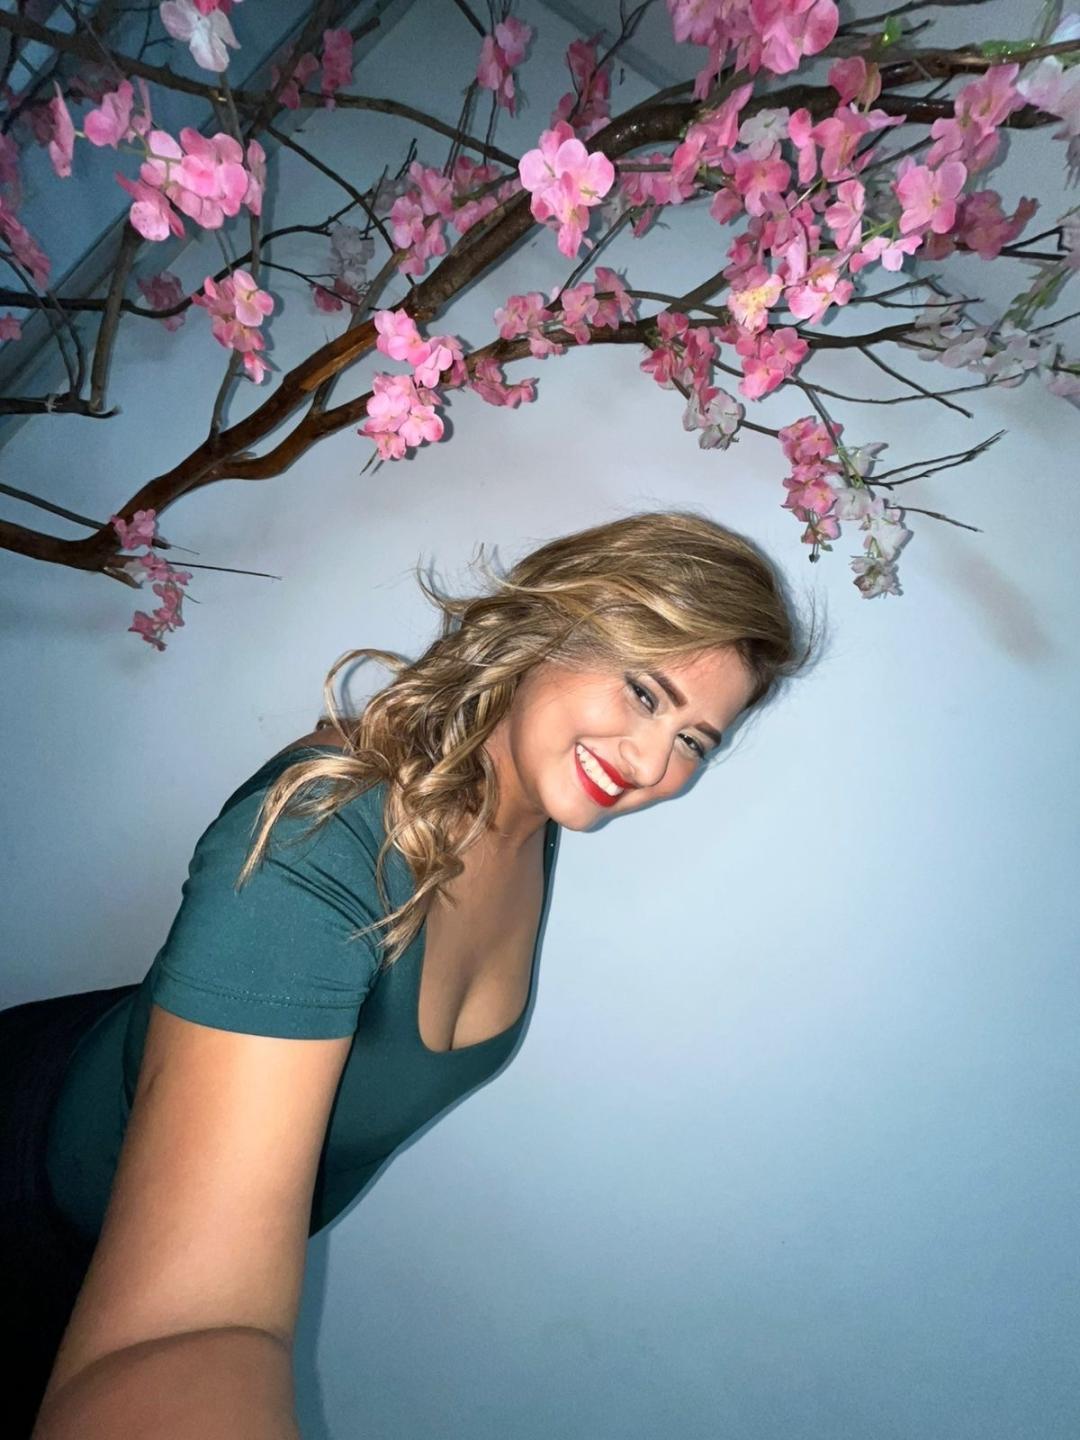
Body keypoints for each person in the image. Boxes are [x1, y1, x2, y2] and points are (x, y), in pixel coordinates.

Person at [2, 510, 813, 1438]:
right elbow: (187, 1327)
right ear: (550, 630)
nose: (650, 761)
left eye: (695, 742)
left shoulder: (530, 813)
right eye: (643, 693)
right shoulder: (329, 835)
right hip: (37, 1191)